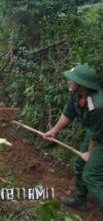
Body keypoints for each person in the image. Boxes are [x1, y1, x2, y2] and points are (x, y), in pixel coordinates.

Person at [44, 64, 103, 211]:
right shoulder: (76, 94)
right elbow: (68, 113)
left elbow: (96, 135)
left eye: (72, 80)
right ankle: (80, 200)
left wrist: (89, 152)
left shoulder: (98, 105)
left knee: (92, 176)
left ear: (82, 85)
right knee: (80, 164)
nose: (68, 82)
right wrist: (54, 131)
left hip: (100, 135)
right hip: (95, 131)